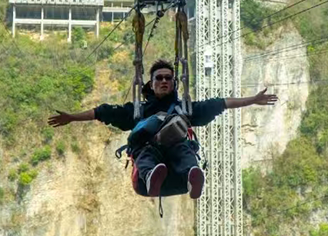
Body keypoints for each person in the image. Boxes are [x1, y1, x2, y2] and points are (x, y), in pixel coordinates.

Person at [48, 59, 277, 199]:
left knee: (182, 145)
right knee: (146, 149)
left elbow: (220, 103)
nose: (164, 81)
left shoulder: (184, 109)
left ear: (173, 83)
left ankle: (191, 176)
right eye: (159, 78)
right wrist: (72, 118)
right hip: (150, 166)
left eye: (168, 78)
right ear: (152, 83)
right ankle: (151, 177)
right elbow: (103, 112)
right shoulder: (138, 110)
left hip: (176, 166)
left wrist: (252, 100)